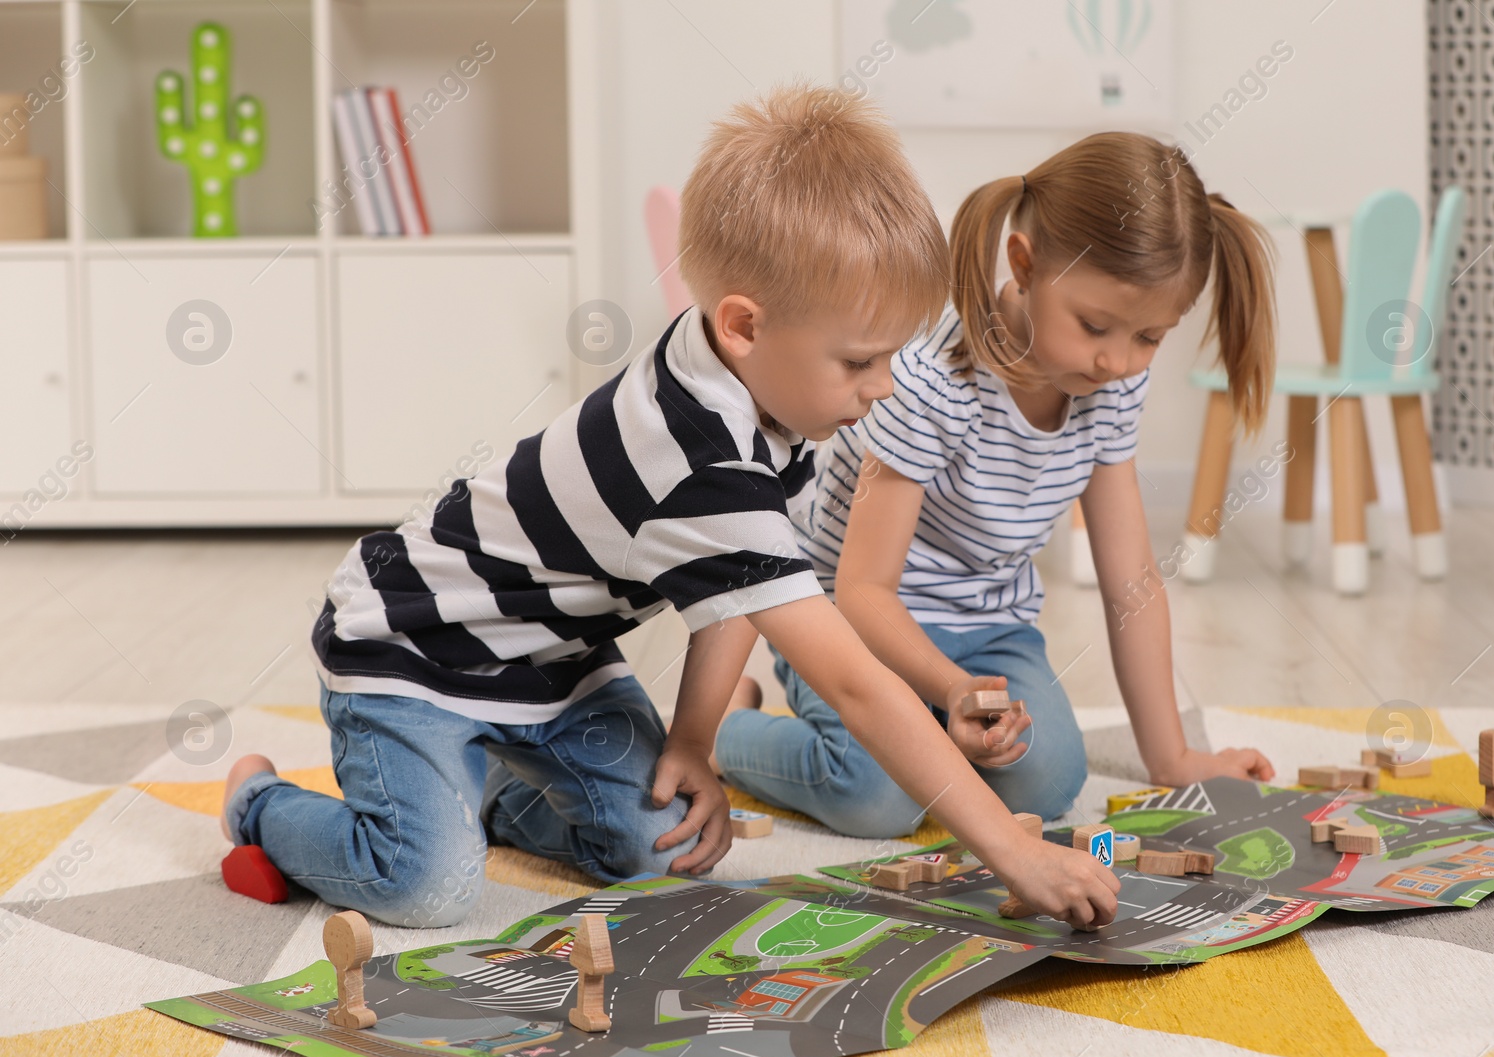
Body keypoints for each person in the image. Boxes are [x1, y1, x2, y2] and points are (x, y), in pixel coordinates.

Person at [219, 83, 1120, 931]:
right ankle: (262, 803)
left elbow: (730, 593)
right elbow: (854, 682)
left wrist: (693, 737)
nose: (883, 389)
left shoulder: (759, 380)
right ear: (744, 325)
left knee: (661, 847)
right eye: (859, 361)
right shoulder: (695, 455)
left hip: (553, 665)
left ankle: (485, 785)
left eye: (891, 357)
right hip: (413, 645)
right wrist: (1011, 852)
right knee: (428, 885)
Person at [715, 133, 1278, 837]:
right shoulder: (928, 383)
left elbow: (1132, 579)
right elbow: (862, 593)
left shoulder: (1110, 388)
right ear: (1024, 263)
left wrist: (1176, 756)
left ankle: (935, 735)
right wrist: (952, 690)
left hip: (988, 630)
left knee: (1049, 780)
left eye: (1149, 337)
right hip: (851, 625)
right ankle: (725, 726)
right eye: (1095, 324)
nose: (1116, 360)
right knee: (879, 796)